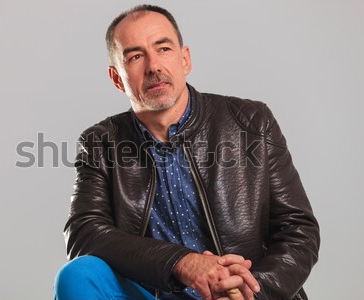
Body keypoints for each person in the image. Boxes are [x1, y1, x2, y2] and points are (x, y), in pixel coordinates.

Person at [54, 4, 320, 300]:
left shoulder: (251, 121)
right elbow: (84, 233)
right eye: (135, 56)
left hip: (242, 294)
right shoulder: (100, 142)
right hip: (153, 294)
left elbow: (298, 230)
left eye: (163, 49)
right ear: (117, 78)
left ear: (185, 59)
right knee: (79, 276)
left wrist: (250, 291)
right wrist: (180, 263)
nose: (153, 66)